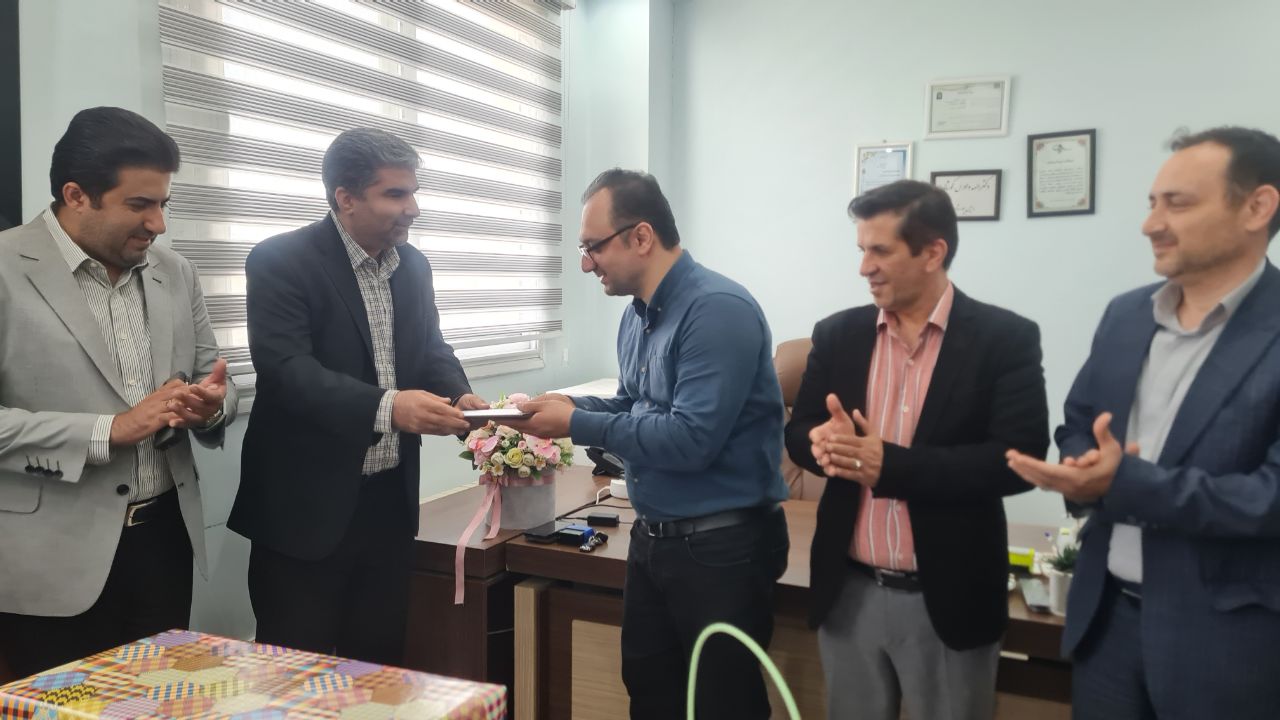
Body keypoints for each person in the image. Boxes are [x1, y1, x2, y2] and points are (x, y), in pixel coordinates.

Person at [1006, 127, 1280, 719]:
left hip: (1229, 646)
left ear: (1258, 207)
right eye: (1152, 203)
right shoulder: (1127, 314)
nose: (1151, 224)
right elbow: (1080, 421)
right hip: (1107, 625)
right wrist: (1082, 468)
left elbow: (1271, 496)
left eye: (1177, 204)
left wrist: (1122, 483)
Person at [510, 169, 789, 719]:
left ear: (641, 236)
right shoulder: (636, 317)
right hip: (653, 540)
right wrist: (560, 407)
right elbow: (632, 406)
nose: (587, 264)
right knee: (650, 692)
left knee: (722, 705)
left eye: (593, 247)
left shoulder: (717, 310)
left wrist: (575, 423)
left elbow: (691, 439)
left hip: (721, 549)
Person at [786, 180, 1048, 719]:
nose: (864, 267)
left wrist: (891, 466)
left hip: (948, 596)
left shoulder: (1003, 339)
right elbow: (799, 429)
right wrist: (819, 442)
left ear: (933, 252)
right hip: (849, 591)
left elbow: (1017, 461)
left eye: (880, 251)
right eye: (861, 249)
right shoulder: (837, 335)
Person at [229, 128, 487, 665]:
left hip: (389, 506)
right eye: (395, 194)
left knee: (378, 668)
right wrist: (390, 407)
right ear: (345, 197)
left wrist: (460, 395)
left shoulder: (412, 265)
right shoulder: (280, 259)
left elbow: (429, 347)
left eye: (413, 192)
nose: (413, 208)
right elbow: (287, 371)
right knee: (294, 672)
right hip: (306, 512)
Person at [0, 106, 236, 675]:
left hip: (164, 544)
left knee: (161, 702)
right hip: (49, 558)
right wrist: (110, 430)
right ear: (76, 195)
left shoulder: (176, 272)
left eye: (164, 204)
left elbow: (215, 379)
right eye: (139, 205)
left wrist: (209, 408)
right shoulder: (6, 267)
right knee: (64, 709)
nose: (158, 224)